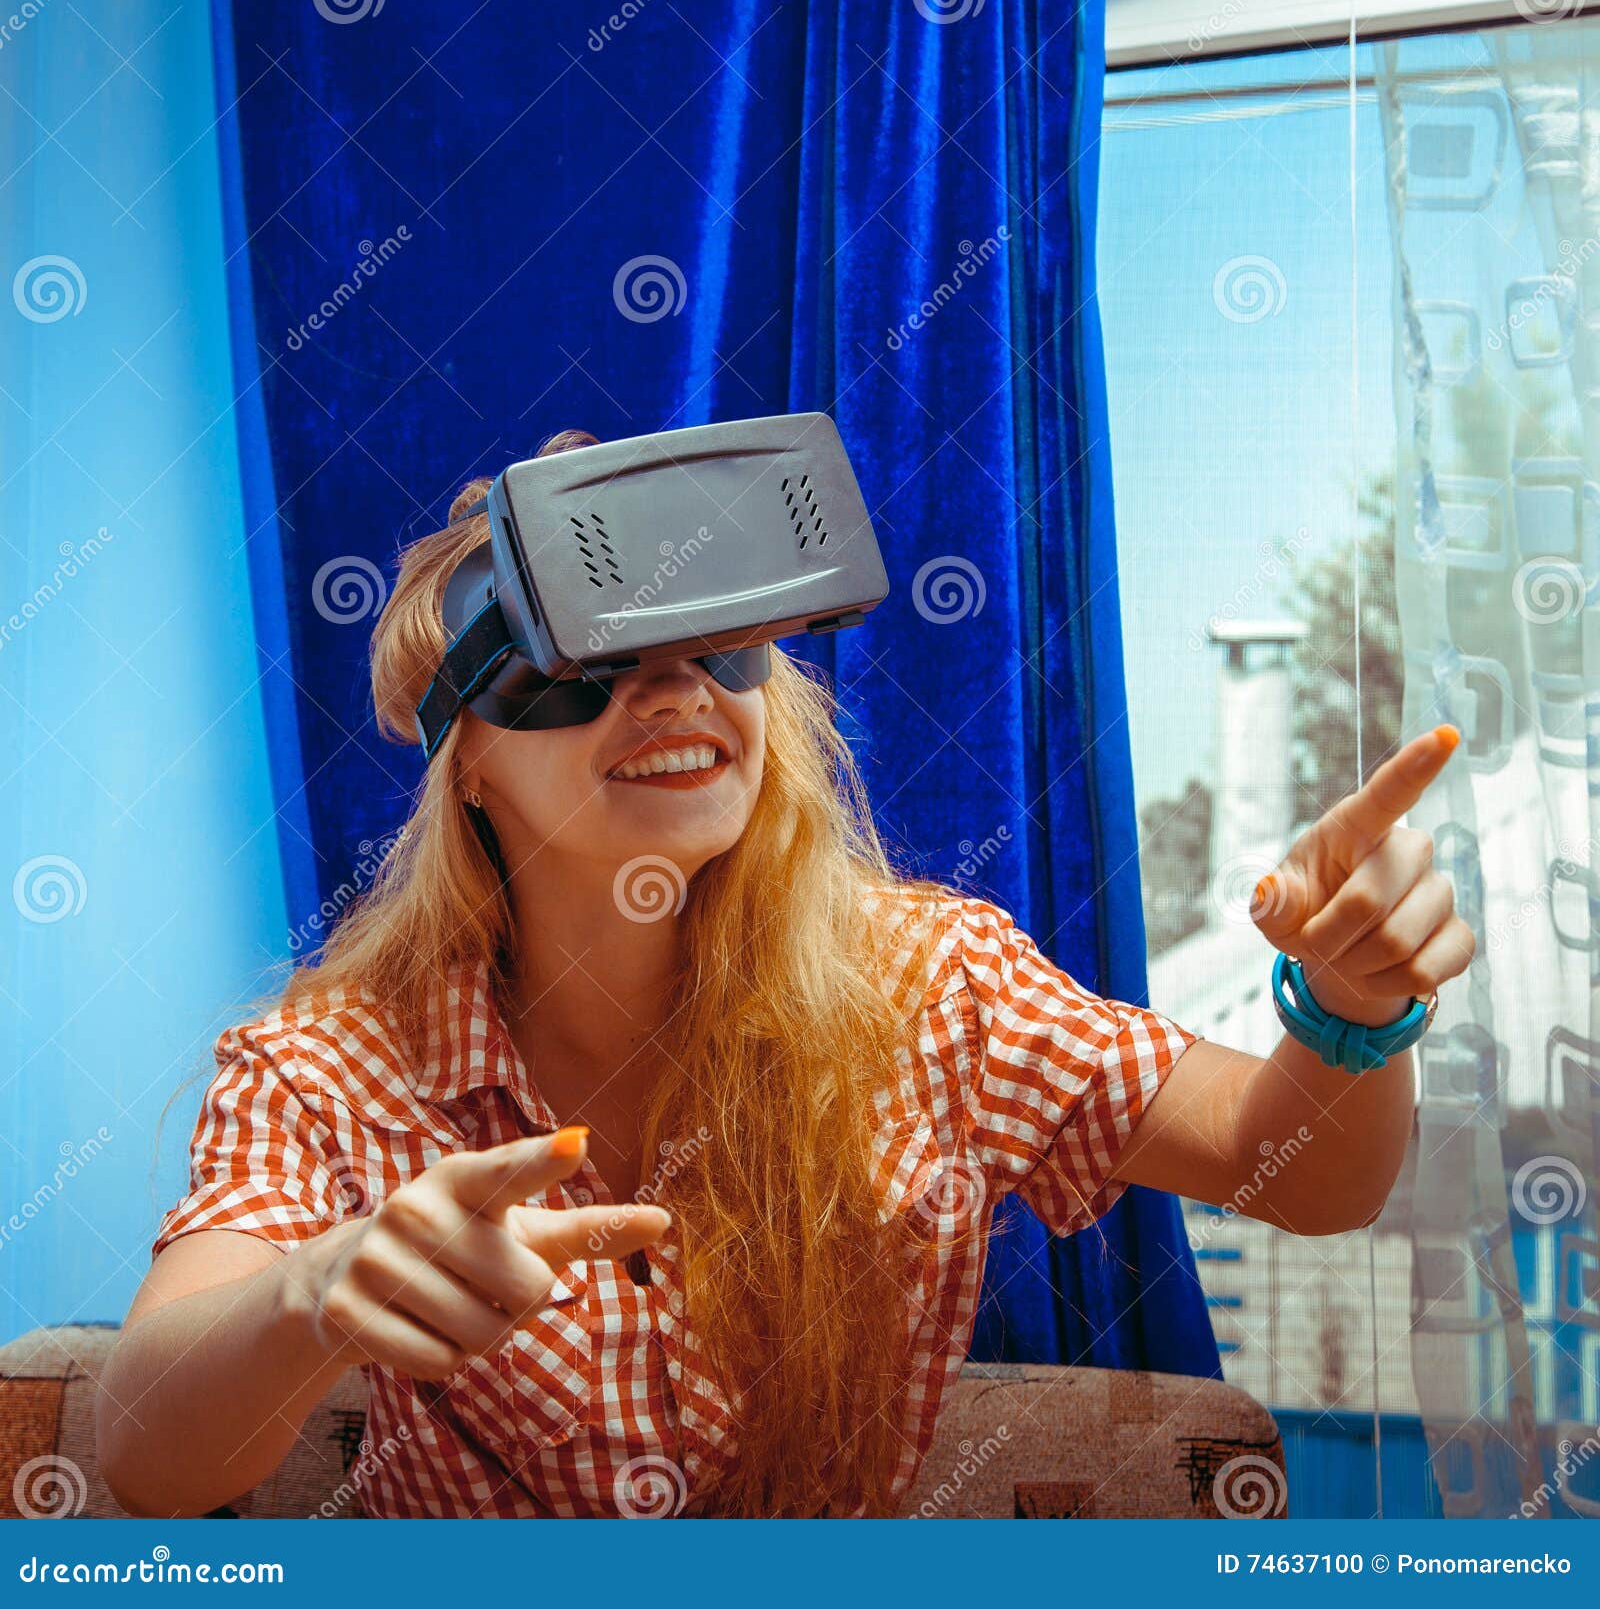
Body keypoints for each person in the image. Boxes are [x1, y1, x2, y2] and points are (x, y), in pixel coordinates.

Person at [96, 428, 1474, 1518]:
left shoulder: (936, 989)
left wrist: (1350, 1008)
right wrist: (317, 1294)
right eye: (587, 663)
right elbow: (149, 1455)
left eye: (721, 645)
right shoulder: (329, 1065)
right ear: (469, 765)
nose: (675, 692)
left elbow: (1300, 1172)